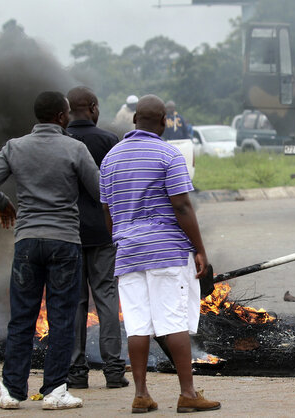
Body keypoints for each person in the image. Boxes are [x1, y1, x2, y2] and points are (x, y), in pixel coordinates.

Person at [100, 95, 221, 413]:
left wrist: (120, 239)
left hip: (128, 254)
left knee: (138, 326)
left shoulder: (110, 158)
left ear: (135, 118)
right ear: (164, 121)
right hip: (166, 252)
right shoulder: (168, 154)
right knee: (173, 323)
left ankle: (141, 395)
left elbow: (107, 210)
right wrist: (199, 248)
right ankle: (189, 395)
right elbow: (181, 205)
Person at [0, 91, 99, 410]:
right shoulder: (75, 148)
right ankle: (55, 391)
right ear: (62, 117)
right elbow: (100, 190)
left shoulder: (14, 147)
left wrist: (5, 204)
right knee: (61, 318)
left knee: (22, 318)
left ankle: (11, 390)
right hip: (65, 242)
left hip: (27, 242)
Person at [64, 87, 128, 389]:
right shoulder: (108, 141)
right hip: (103, 232)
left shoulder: (59, 141)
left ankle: (76, 374)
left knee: (74, 303)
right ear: (92, 107)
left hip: (67, 233)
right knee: (106, 299)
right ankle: (114, 371)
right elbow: (116, 189)